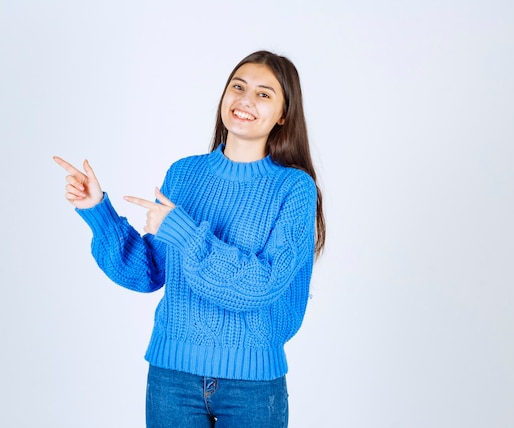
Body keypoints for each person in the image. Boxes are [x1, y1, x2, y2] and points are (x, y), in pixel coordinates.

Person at [53, 50, 325, 428]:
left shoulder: (294, 188)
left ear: (283, 114)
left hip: (254, 385)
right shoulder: (184, 174)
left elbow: (263, 285)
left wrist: (183, 231)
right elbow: (148, 271)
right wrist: (98, 210)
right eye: (238, 87)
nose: (245, 100)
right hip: (172, 377)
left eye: (263, 94)